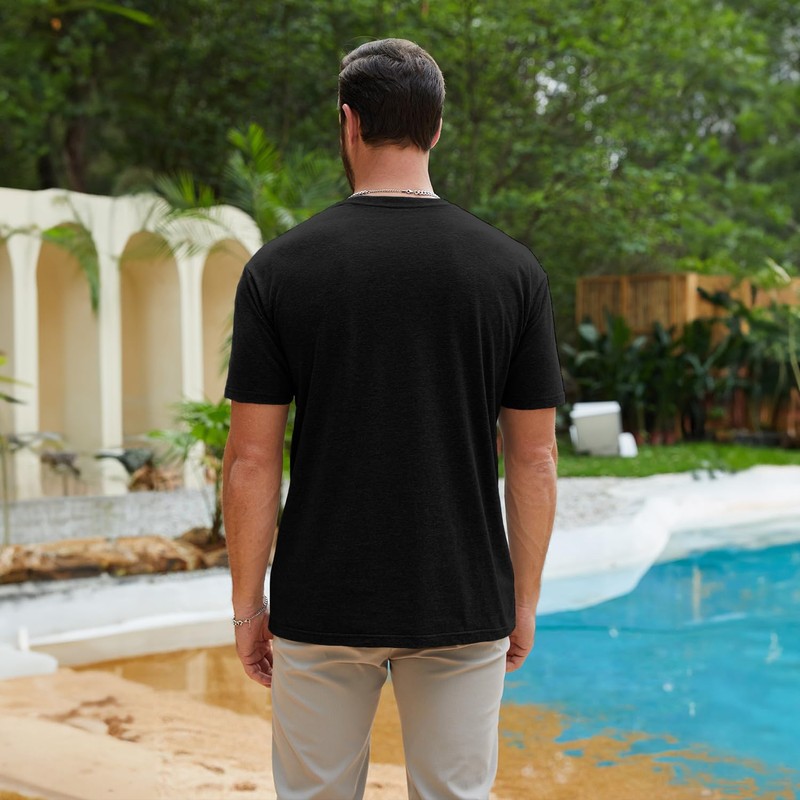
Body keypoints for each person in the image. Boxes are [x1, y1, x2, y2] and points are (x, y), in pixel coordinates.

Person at [222, 37, 564, 800]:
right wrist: (523, 600)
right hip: (462, 596)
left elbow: (251, 458)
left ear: (348, 123)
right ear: (436, 128)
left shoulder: (278, 270)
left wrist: (248, 608)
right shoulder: (513, 273)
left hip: (320, 598)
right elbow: (534, 458)